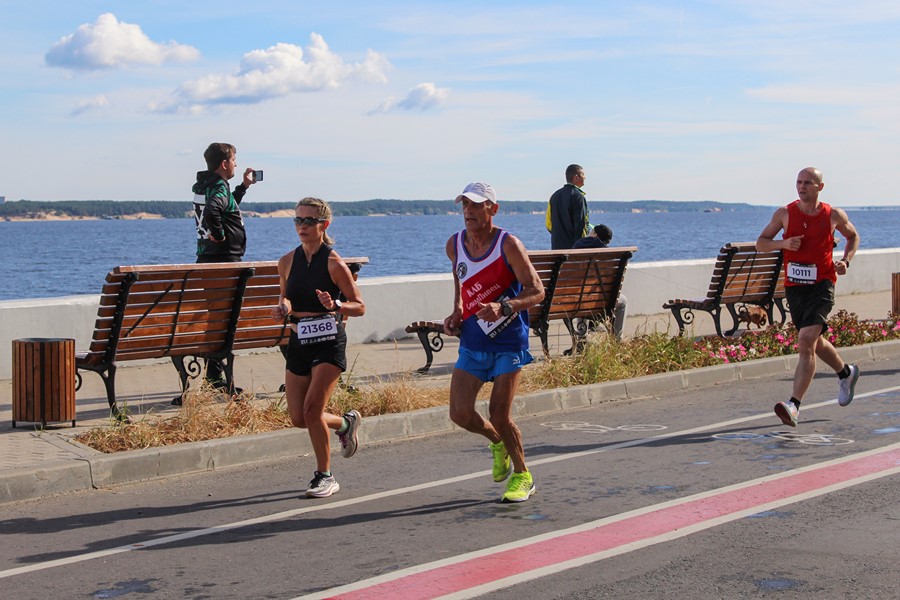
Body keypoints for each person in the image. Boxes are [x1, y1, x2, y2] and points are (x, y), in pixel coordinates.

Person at [443, 182, 545, 502]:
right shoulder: (455, 244)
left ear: (493, 209)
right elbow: (460, 281)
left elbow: (537, 290)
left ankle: (523, 475)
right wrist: (457, 311)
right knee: (459, 412)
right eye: (465, 205)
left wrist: (504, 306)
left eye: (476, 205)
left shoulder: (508, 244)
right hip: (474, 339)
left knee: (500, 413)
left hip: (508, 340)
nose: (468, 211)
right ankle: (497, 441)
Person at [273, 197, 366, 498]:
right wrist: (282, 306)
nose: (302, 226)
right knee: (299, 417)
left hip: (328, 339)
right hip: (299, 339)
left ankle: (324, 476)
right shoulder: (286, 261)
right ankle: (345, 424)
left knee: (313, 410)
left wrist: (336, 303)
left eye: (309, 221)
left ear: (324, 225)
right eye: (298, 221)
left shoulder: (333, 262)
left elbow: (359, 306)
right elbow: (286, 297)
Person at [756, 167, 860, 427]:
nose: (801, 187)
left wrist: (845, 261)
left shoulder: (832, 215)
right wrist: (783, 244)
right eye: (798, 182)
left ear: (819, 187)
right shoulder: (784, 214)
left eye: (807, 183)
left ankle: (794, 405)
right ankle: (846, 373)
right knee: (814, 341)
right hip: (795, 286)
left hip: (822, 284)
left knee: (805, 340)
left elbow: (853, 236)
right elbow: (761, 243)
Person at [191, 142, 256, 392]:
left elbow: (227, 206)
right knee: (223, 321)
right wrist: (218, 235)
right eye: (234, 160)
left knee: (216, 318)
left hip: (208, 260)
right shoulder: (218, 187)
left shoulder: (208, 186)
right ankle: (217, 377)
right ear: (224, 163)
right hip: (224, 263)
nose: (236, 164)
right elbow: (213, 212)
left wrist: (243, 187)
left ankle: (213, 374)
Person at [572, 224, 628, 340]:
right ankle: (617, 339)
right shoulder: (609, 255)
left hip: (577, 299)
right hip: (602, 300)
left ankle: (582, 339)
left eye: (591, 231)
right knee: (622, 301)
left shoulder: (577, 247)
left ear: (595, 235)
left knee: (582, 294)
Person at [546, 164, 590, 249]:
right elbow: (582, 225)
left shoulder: (554, 196)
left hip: (557, 248)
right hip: (574, 250)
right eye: (583, 175)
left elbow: (548, 224)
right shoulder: (578, 196)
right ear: (576, 177)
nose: (585, 177)